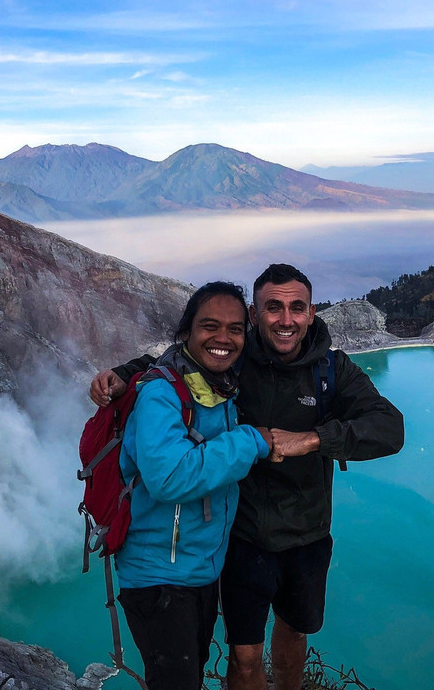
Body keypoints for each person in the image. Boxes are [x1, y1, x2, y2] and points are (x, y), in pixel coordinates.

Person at [91, 264, 404, 690]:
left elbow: (390, 428)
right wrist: (126, 373)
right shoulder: (236, 357)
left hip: (307, 533)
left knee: (294, 633)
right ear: (256, 316)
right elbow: (176, 361)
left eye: (297, 308)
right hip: (243, 538)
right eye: (273, 308)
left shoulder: (331, 370)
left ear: (312, 313)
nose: (286, 320)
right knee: (244, 656)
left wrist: (312, 439)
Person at [115, 281, 274, 690]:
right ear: (186, 331)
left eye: (235, 329)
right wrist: (253, 440)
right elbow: (170, 477)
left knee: (187, 676)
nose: (223, 338)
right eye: (210, 326)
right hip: (158, 578)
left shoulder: (218, 387)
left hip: (197, 572)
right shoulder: (162, 395)